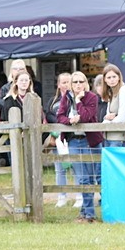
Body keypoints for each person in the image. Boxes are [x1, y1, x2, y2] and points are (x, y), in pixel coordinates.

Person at [58, 72, 103, 223]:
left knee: (90, 177)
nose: (78, 84)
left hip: (89, 141)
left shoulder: (91, 97)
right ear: (71, 84)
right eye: (75, 82)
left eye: (81, 81)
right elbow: (60, 116)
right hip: (73, 141)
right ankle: (88, 213)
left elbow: (86, 116)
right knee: (83, 178)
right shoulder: (66, 97)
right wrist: (70, 120)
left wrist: (78, 101)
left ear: (85, 83)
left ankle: (86, 212)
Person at [45, 71, 77, 208]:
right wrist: (60, 122)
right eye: (63, 82)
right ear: (58, 85)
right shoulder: (52, 101)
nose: (67, 85)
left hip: (72, 138)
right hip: (58, 139)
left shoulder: (76, 100)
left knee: (76, 167)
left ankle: (79, 195)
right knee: (60, 169)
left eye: (69, 82)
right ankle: (61, 196)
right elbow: (49, 115)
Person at [99, 64, 125, 148]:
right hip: (108, 137)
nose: (112, 80)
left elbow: (122, 118)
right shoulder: (111, 92)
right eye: (109, 77)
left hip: (121, 138)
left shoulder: (124, 90)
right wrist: (107, 118)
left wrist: (109, 120)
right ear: (104, 80)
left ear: (119, 77)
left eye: (114, 76)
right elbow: (107, 117)